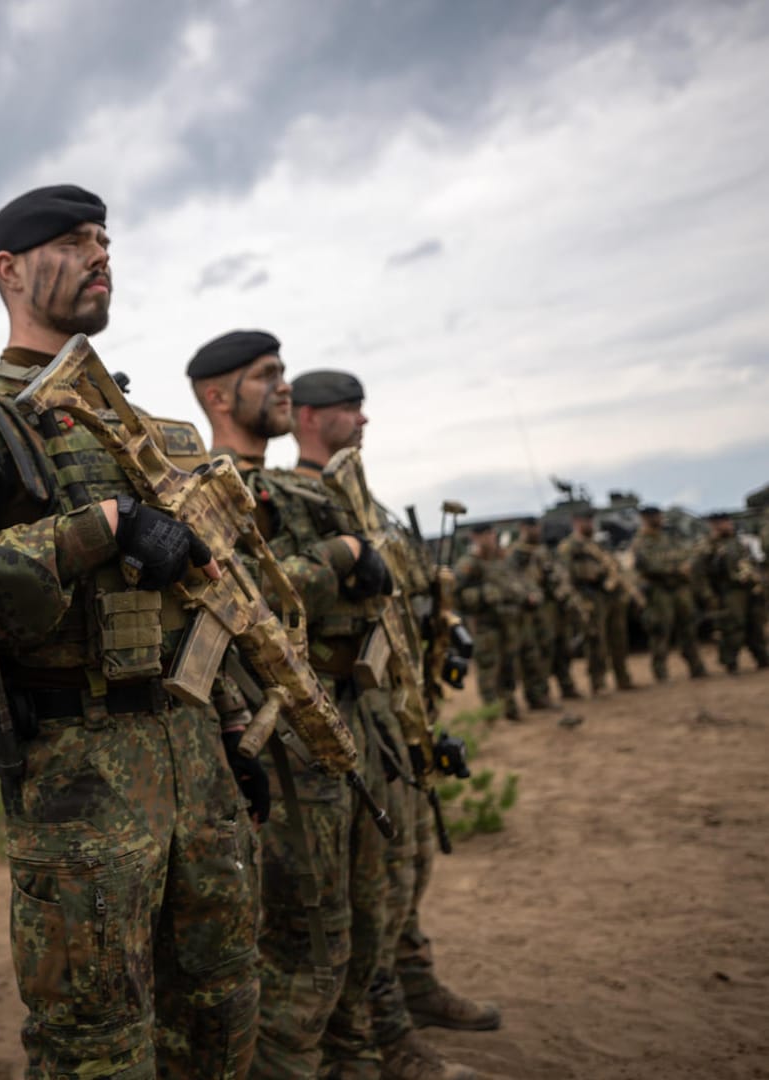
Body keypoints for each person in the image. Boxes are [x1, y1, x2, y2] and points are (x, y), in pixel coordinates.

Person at [0, 185, 261, 1078]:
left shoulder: (139, 429)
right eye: (73, 241)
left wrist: (230, 730)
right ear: (9, 269)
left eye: (105, 238)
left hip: (196, 761)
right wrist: (95, 527)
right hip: (81, 780)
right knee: (94, 1044)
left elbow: (201, 599)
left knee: (221, 1011)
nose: (102, 254)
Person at [189, 336, 395, 1080]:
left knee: (345, 920)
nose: (284, 387)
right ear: (218, 397)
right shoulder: (206, 485)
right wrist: (338, 559)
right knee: (302, 937)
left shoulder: (287, 489)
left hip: (324, 719)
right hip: (269, 736)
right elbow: (244, 594)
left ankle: (357, 1053)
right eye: (267, 376)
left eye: (284, 374)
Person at [283, 371, 487, 1080]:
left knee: (410, 863)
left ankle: (411, 987)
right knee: (369, 886)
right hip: (341, 710)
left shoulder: (363, 500)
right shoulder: (296, 496)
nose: (363, 419)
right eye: (349, 408)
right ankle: (374, 1034)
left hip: (394, 707)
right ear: (311, 416)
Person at [453, 524, 538, 721]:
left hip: (509, 623)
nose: (489, 538)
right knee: (488, 668)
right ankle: (491, 713)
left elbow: (515, 584)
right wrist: (485, 595)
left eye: (491, 534)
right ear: (475, 537)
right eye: (484, 535)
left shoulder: (502, 560)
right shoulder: (469, 564)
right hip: (485, 625)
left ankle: (510, 707)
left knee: (509, 666)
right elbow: (456, 596)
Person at [555, 511, 636, 693]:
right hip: (589, 597)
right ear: (576, 522)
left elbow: (613, 567)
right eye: (585, 520)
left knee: (618, 639)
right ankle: (597, 682)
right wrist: (578, 601)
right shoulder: (569, 547)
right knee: (596, 641)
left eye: (591, 520)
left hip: (609, 596)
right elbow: (564, 577)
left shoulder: (598, 545)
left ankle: (622, 678)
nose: (590, 524)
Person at [630, 506, 707, 681]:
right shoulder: (641, 542)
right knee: (660, 631)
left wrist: (685, 566)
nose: (658, 518)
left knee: (688, 628)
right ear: (645, 519)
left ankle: (696, 667)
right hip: (659, 590)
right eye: (654, 516)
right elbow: (650, 565)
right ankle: (661, 672)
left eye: (658, 515)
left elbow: (684, 554)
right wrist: (678, 570)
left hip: (679, 589)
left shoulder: (668, 537)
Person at [503, 518, 565, 710]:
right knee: (529, 653)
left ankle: (541, 693)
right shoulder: (514, 553)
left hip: (543, 606)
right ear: (523, 528)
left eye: (537, 526)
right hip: (524, 610)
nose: (536, 530)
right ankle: (534, 695)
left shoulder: (542, 551)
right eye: (532, 527)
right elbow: (510, 579)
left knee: (546, 648)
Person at [697, 513, 768, 673]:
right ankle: (731, 661)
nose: (726, 525)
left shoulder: (741, 541)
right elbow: (700, 573)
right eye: (720, 523)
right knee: (733, 627)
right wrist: (708, 594)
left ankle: (762, 658)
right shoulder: (709, 546)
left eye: (726, 522)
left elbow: (755, 562)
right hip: (729, 591)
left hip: (750, 588)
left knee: (756, 624)